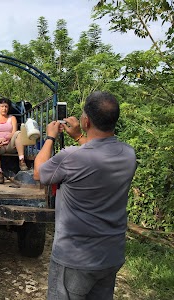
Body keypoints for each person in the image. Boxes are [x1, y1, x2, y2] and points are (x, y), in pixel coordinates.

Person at [33, 91, 137, 300]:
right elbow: (96, 156)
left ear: (86, 120)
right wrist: (80, 136)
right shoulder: (128, 154)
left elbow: (39, 172)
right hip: (110, 255)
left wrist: (50, 137)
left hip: (75, 258)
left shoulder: (71, 156)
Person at [0, 98, 28, 184]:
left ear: (8, 108)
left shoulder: (12, 118)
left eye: (6, 106)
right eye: (2, 106)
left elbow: (14, 132)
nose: (4, 109)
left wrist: (8, 138)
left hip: (10, 145)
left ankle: (22, 161)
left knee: (19, 133)